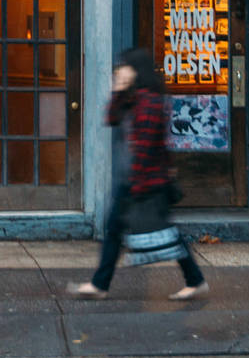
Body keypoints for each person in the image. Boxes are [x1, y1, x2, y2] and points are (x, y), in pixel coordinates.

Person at [73, 47, 207, 301]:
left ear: (135, 70)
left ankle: (195, 279)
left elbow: (145, 147)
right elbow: (111, 118)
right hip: (133, 179)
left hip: (143, 180)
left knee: (166, 234)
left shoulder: (149, 102)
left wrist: (136, 183)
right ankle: (100, 284)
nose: (119, 70)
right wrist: (117, 90)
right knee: (118, 230)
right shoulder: (132, 98)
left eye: (123, 66)